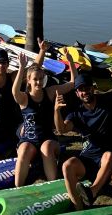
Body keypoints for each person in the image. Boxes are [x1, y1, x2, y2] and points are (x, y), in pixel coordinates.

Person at [55, 69, 112, 211]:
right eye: (81, 90)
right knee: (67, 165)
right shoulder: (76, 112)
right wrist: (56, 110)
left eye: (87, 88)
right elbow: (62, 129)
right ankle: (78, 207)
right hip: (87, 159)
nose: (85, 92)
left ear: (93, 88)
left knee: (108, 156)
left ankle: (92, 192)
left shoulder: (109, 101)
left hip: (106, 162)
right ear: (77, 93)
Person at [12, 49, 76, 186]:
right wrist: (22, 68)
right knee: (23, 150)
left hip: (48, 140)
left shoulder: (50, 92)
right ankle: (18, 188)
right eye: (35, 79)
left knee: (46, 148)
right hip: (29, 140)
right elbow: (14, 91)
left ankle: (52, 185)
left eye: (41, 79)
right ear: (29, 80)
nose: (39, 82)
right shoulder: (24, 98)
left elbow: (72, 84)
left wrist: (70, 61)